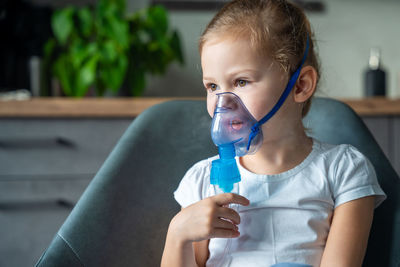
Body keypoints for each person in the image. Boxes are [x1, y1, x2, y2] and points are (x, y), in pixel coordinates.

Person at [161, 0, 386, 266]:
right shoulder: (201, 182)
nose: (223, 102)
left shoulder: (342, 171)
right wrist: (178, 234)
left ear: (300, 85)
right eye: (212, 86)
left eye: (241, 81)